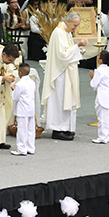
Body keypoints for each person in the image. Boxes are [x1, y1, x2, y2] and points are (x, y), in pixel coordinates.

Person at [42, 12, 89, 141]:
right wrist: (77, 45)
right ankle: (58, 129)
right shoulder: (58, 33)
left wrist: (77, 49)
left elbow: (68, 50)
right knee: (61, 98)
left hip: (67, 71)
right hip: (60, 73)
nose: (75, 28)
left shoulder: (66, 32)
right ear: (68, 21)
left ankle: (67, 127)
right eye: (74, 25)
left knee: (67, 97)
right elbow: (62, 55)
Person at [11, 62, 35, 156]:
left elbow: (15, 98)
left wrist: (13, 90)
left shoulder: (19, 84)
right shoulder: (32, 82)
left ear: (20, 72)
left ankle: (21, 149)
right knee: (30, 130)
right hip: (31, 109)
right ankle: (30, 148)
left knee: (22, 130)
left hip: (22, 110)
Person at [90, 50, 109, 144]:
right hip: (108, 94)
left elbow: (94, 84)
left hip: (102, 95)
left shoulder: (99, 70)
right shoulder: (107, 69)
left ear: (101, 60)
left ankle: (102, 137)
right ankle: (107, 136)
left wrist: (92, 77)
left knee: (102, 117)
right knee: (107, 117)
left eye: (98, 56)